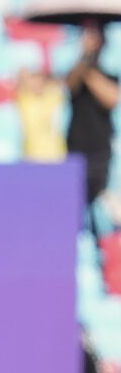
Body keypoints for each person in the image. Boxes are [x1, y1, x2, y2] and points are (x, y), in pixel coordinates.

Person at [67, 21, 119, 234]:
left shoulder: (108, 75)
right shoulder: (76, 71)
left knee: (100, 205)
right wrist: (84, 60)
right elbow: (69, 84)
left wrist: (90, 70)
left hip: (100, 151)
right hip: (75, 147)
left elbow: (111, 98)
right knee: (75, 204)